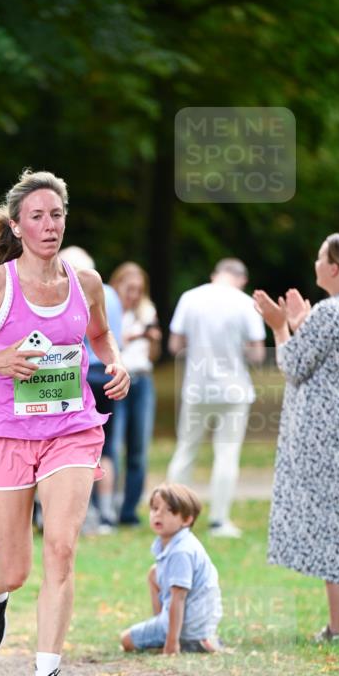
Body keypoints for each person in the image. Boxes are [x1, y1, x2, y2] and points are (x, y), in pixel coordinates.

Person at [0, 169, 129, 676]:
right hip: (3, 432)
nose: (49, 225)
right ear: (18, 227)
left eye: (57, 215)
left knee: (62, 549)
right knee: (17, 567)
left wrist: (115, 363)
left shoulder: (87, 283)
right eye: (38, 217)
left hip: (71, 428)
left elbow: (99, 335)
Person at [253, 232, 339, 642]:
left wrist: (279, 327)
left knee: (336, 526)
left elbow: (293, 365)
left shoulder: (331, 311)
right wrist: (302, 324)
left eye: (321, 257)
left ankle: (338, 627)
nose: (316, 263)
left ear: (334, 268)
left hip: (328, 433)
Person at [166, 258, 266, 538]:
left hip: (197, 387)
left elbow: (175, 345)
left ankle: (172, 514)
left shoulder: (190, 298)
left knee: (186, 450)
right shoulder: (245, 303)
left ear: (215, 274)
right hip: (234, 389)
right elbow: (258, 354)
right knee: (227, 454)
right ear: (242, 279)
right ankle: (219, 520)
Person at [59, 245, 122, 533]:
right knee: (106, 445)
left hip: (79, 376)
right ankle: (107, 514)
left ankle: (85, 513)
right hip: (108, 372)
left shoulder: (69, 292)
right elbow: (112, 335)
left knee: (74, 445)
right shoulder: (111, 294)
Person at [120, 484, 223, 655]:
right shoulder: (176, 543)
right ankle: (166, 628)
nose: (158, 514)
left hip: (190, 626)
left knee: (126, 640)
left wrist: (171, 645)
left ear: (186, 520)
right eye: (155, 508)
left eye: (169, 510)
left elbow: (179, 598)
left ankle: (179, 640)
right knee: (154, 573)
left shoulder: (181, 552)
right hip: (200, 623)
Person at [109, 261, 162, 525]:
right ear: (117, 285)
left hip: (142, 380)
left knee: (138, 448)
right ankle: (109, 507)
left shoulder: (146, 311)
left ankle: (129, 510)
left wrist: (152, 338)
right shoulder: (109, 309)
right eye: (129, 288)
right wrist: (131, 336)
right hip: (118, 379)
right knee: (113, 446)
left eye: (139, 290)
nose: (134, 295)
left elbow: (153, 356)